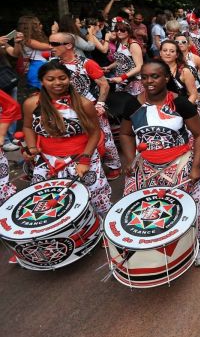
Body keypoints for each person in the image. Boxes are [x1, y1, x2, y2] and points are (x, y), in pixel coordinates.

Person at [119, 59, 200, 266]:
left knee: (195, 205)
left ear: (166, 78)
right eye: (144, 77)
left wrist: (195, 166)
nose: (149, 81)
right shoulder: (133, 104)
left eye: (155, 76)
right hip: (146, 164)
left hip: (179, 162)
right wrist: (130, 159)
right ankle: (151, 247)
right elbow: (125, 134)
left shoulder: (180, 103)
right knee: (140, 206)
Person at [22, 61, 112, 216]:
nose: (57, 83)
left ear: (69, 79)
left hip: (82, 155)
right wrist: (31, 148)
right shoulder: (31, 104)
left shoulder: (84, 104)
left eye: (62, 78)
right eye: (50, 79)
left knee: (96, 199)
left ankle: (103, 231)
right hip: (47, 160)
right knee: (47, 201)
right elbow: (28, 127)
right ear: (42, 81)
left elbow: (95, 133)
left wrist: (85, 160)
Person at [48, 32, 122, 180]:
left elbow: (104, 85)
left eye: (54, 44)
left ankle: (114, 166)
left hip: (90, 108)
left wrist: (100, 105)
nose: (50, 47)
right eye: (50, 43)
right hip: (64, 109)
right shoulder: (52, 64)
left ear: (68, 45)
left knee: (104, 137)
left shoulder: (87, 63)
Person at [105, 21, 143, 95]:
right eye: (117, 30)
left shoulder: (133, 45)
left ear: (128, 32)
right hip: (121, 80)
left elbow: (139, 67)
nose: (119, 32)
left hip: (133, 81)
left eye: (122, 30)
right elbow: (120, 61)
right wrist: (108, 67)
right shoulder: (119, 43)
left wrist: (122, 77)